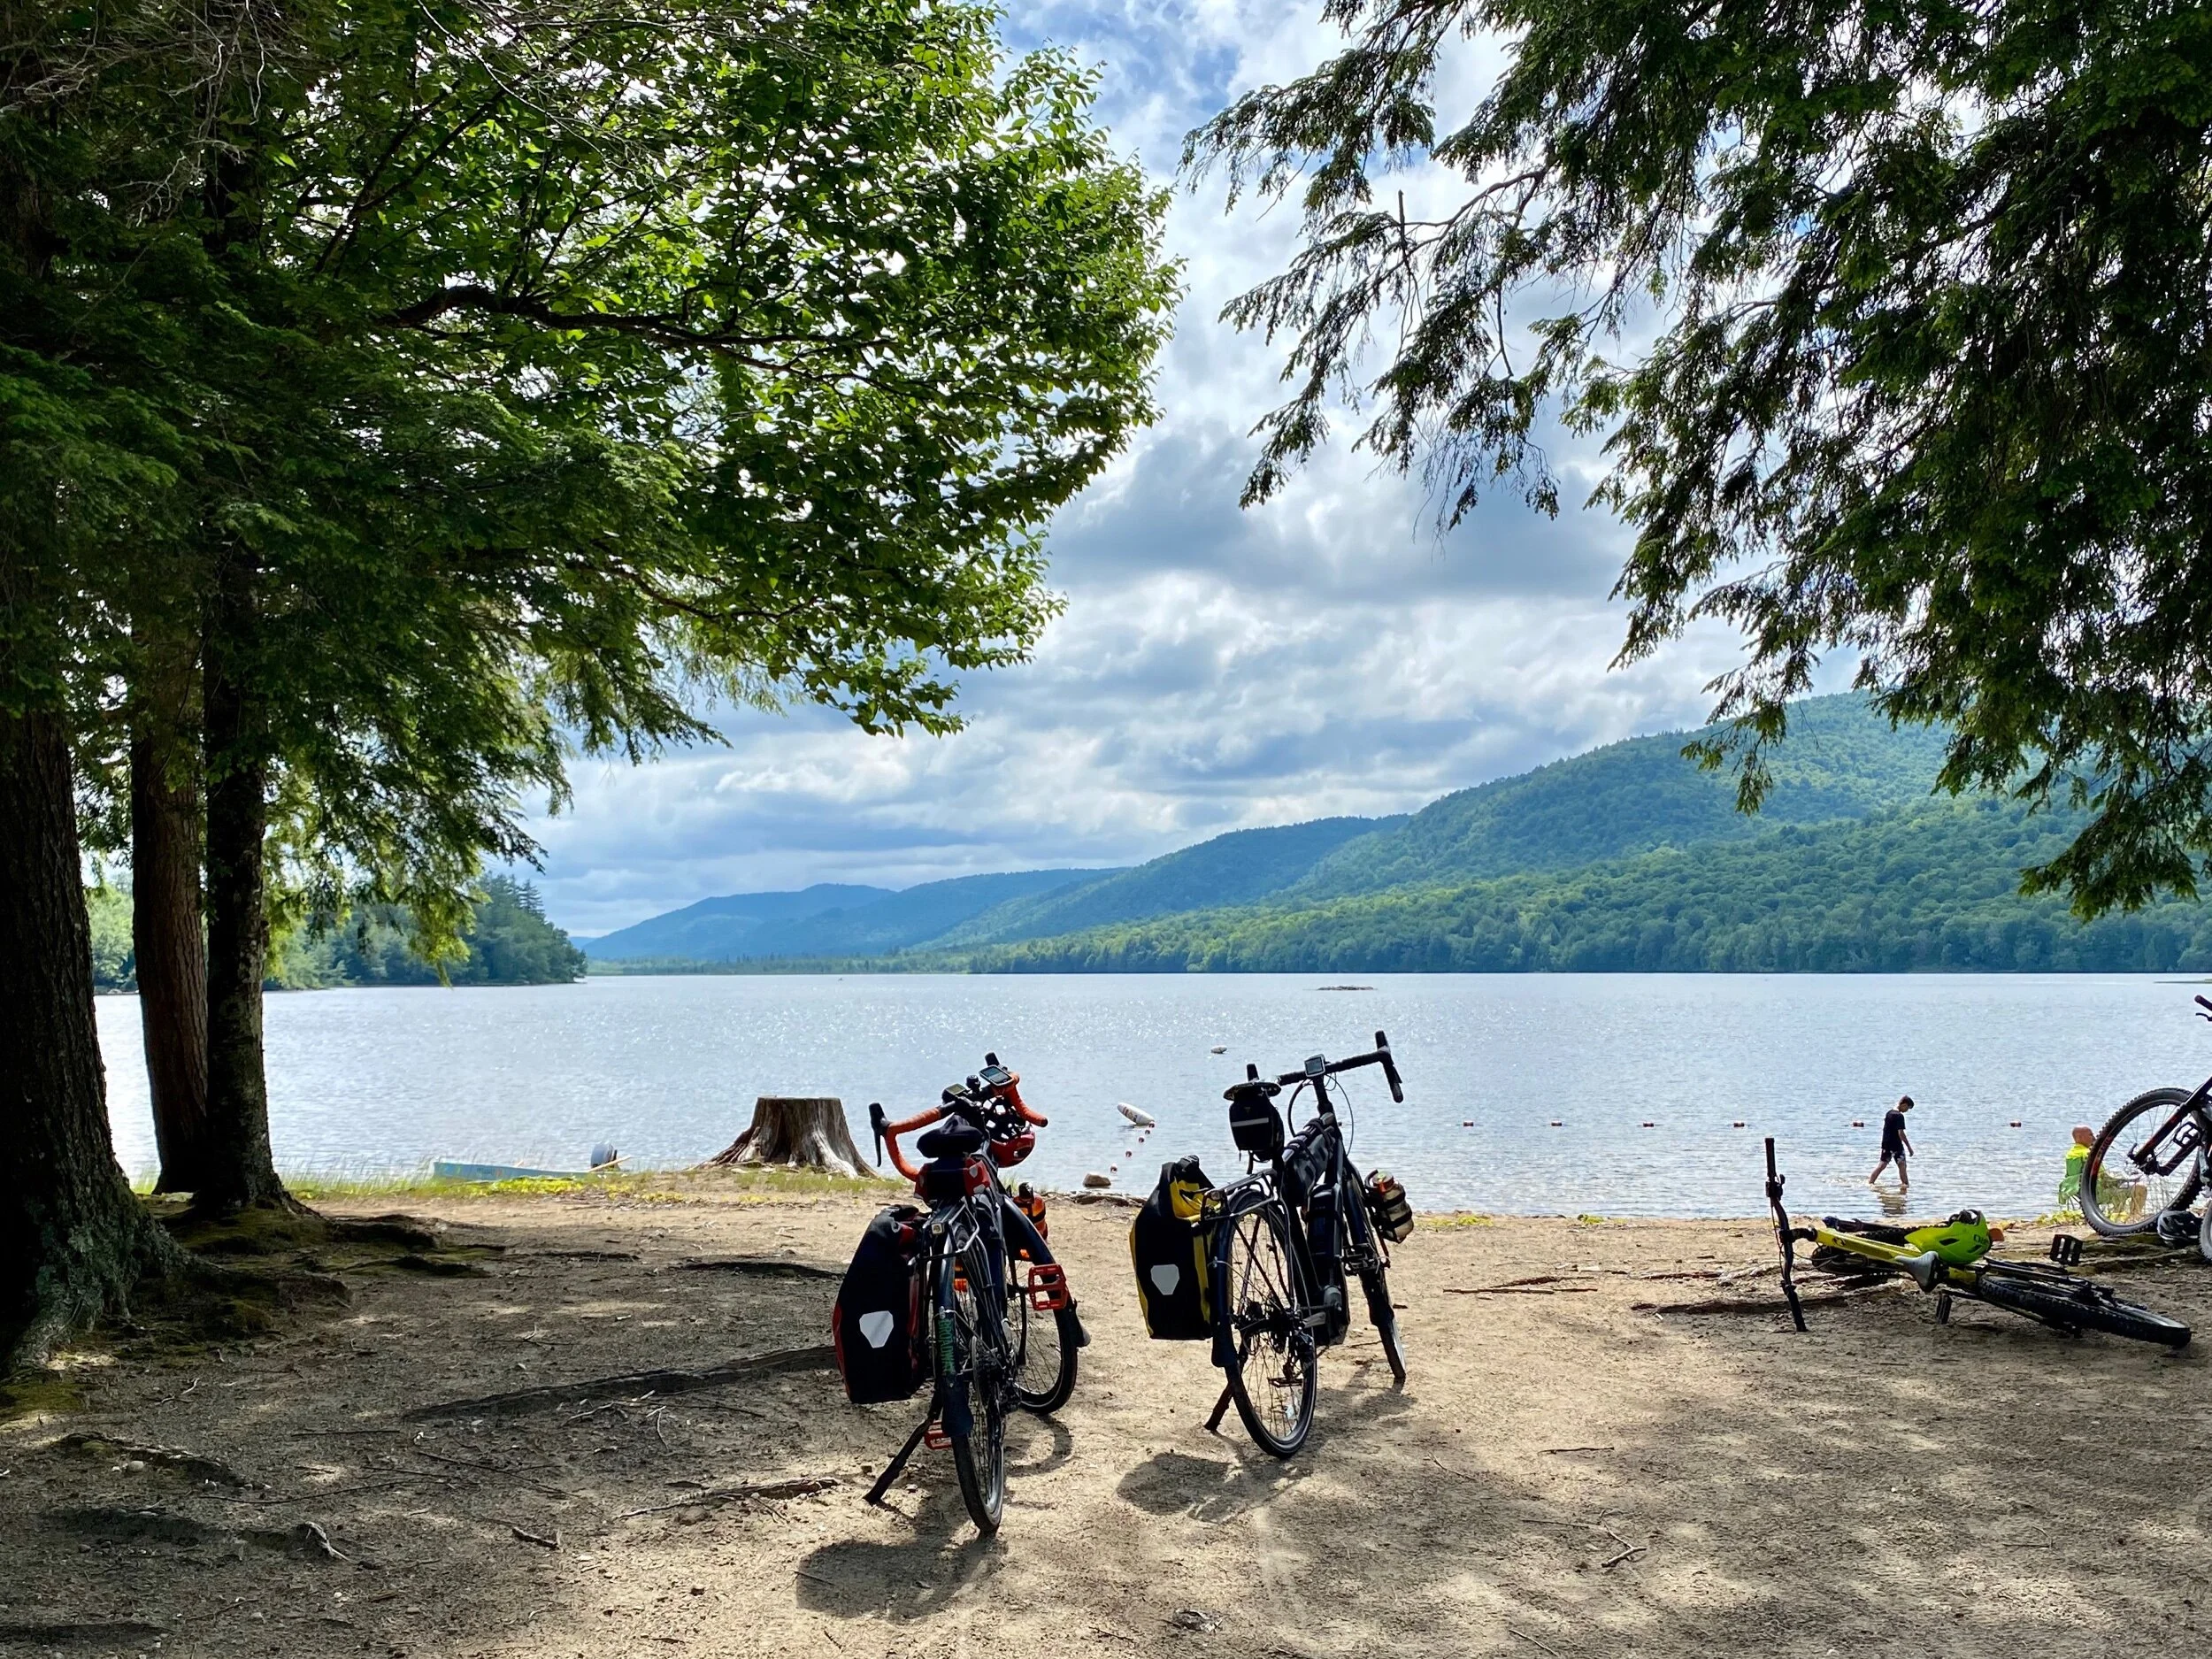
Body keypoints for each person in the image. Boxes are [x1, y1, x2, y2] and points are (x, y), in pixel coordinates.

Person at [1869, 1094, 1914, 1190]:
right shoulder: (1899, 1116)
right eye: (1908, 1108)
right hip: (1897, 1146)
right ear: (1904, 1105)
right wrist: (1909, 1147)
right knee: (1902, 1166)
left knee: (1882, 1165)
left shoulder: (1889, 1113)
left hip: (1887, 1144)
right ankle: (1905, 1187)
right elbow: (1901, 1134)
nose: (1907, 1111)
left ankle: (1870, 1184)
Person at [2056, 1125, 2094, 1214]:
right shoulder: (2087, 1153)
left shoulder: (2070, 1153)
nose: (2094, 1137)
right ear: (2080, 1137)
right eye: (2090, 1135)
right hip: (2092, 1188)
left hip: (2074, 1187)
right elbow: (2101, 1175)